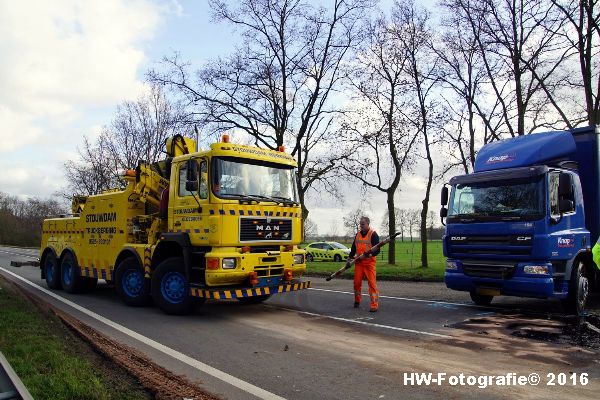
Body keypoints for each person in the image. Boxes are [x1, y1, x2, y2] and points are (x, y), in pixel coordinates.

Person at [348, 216, 380, 312]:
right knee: (357, 283)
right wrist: (350, 257)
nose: (361, 226)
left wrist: (369, 255)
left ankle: (374, 304)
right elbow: (354, 248)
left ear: (367, 224)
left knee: (372, 284)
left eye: (363, 224)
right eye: (360, 224)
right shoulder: (357, 235)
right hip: (359, 263)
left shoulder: (373, 234)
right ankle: (357, 301)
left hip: (369, 263)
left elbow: (377, 250)